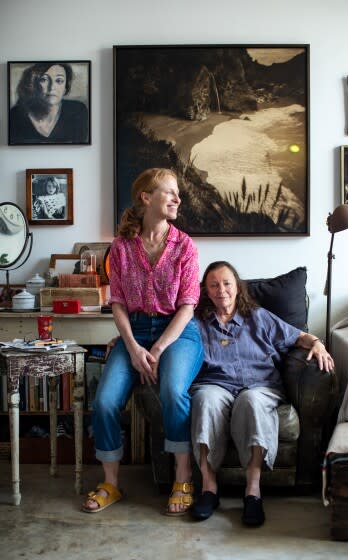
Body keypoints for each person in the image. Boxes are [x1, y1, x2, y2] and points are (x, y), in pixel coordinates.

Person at [82, 168, 204, 515]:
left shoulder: (185, 246)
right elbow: (117, 303)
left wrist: (159, 349)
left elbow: (187, 306)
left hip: (178, 333)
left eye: (177, 193)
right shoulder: (120, 248)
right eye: (169, 192)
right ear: (146, 197)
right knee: (105, 401)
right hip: (134, 332)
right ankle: (111, 484)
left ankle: (183, 478)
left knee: (171, 390)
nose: (177, 199)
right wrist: (134, 348)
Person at [190, 261, 334, 526]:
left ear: (237, 287)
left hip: (259, 384)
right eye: (213, 285)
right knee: (204, 400)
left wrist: (317, 344)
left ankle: (253, 490)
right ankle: (209, 489)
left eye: (226, 283)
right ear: (206, 291)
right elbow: (166, 338)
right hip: (215, 384)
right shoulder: (196, 323)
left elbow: (297, 337)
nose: (221, 290)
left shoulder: (258, 317)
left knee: (251, 401)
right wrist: (124, 342)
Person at [9, 62, 88, 144]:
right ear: (33, 84)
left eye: (59, 80)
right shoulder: (16, 115)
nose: (52, 87)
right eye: (44, 80)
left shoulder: (78, 111)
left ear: (65, 87)